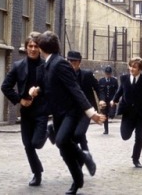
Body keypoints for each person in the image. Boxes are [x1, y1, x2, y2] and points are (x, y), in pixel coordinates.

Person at [31, 31, 105, 195]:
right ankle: (77, 181)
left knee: (61, 140)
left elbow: (75, 89)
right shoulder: (48, 65)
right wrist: (36, 89)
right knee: (64, 150)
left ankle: (85, 157)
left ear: (43, 48)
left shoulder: (60, 64)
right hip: (59, 113)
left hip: (72, 112)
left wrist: (91, 113)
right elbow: (49, 87)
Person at [1, 32, 48, 187]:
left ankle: (48, 131)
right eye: (30, 46)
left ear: (40, 48)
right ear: (26, 48)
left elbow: (51, 86)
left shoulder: (46, 66)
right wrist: (19, 99)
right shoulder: (18, 66)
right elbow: (5, 87)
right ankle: (37, 173)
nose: (33, 49)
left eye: (36, 46)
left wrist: (39, 90)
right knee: (28, 145)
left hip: (41, 110)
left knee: (36, 143)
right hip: (26, 112)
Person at [111, 57, 142, 168]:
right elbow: (121, 90)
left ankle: (136, 159)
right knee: (125, 136)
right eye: (130, 66)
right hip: (128, 113)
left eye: (134, 67)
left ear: (140, 69)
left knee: (139, 137)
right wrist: (114, 100)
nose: (131, 69)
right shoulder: (124, 78)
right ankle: (127, 133)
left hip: (141, 114)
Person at [66, 50, 100, 152]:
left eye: (75, 62)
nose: (72, 64)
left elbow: (97, 87)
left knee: (78, 134)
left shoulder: (87, 74)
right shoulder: (65, 76)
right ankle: (86, 154)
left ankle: (79, 154)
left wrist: (101, 99)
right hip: (71, 110)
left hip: (87, 110)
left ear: (79, 62)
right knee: (76, 133)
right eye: (70, 61)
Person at [98, 66, 119, 134]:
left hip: (111, 100)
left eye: (109, 73)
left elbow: (117, 91)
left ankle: (112, 114)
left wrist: (115, 100)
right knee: (105, 115)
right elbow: (100, 91)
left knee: (111, 114)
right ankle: (106, 130)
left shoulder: (114, 81)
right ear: (105, 73)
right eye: (107, 73)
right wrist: (101, 100)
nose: (108, 75)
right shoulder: (101, 81)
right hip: (104, 100)